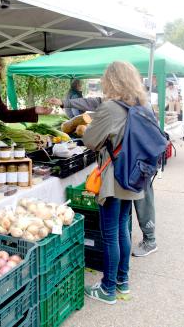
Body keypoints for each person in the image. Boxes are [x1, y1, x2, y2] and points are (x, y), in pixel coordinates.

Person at [52, 61, 147, 305]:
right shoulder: (142, 106)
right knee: (124, 230)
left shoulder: (111, 108)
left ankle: (107, 288)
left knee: (110, 234)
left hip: (113, 178)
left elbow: (92, 140)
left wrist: (86, 128)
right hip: (134, 177)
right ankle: (122, 283)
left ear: (111, 81)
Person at [48, 94, 158, 258]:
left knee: (141, 200)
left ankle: (150, 240)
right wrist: (64, 102)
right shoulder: (114, 100)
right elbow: (92, 102)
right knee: (123, 219)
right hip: (130, 160)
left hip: (138, 161)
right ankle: (122, 275)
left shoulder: (140, 104)